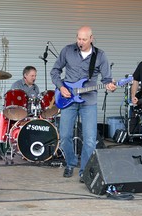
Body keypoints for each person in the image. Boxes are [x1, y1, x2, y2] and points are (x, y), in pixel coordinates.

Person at [50, 26, 117, 182]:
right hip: (68, 99)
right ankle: (71, 162)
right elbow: (55, 71)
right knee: (65, 136)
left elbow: (107, 80)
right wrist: (61, 87)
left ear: (91, 38)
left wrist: (111, 86)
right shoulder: (67, 50)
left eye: (84, 39)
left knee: (89, 139)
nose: (80, 42)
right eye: (78, 38)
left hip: (89, 101)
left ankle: (84, 170)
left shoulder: (100, 55)